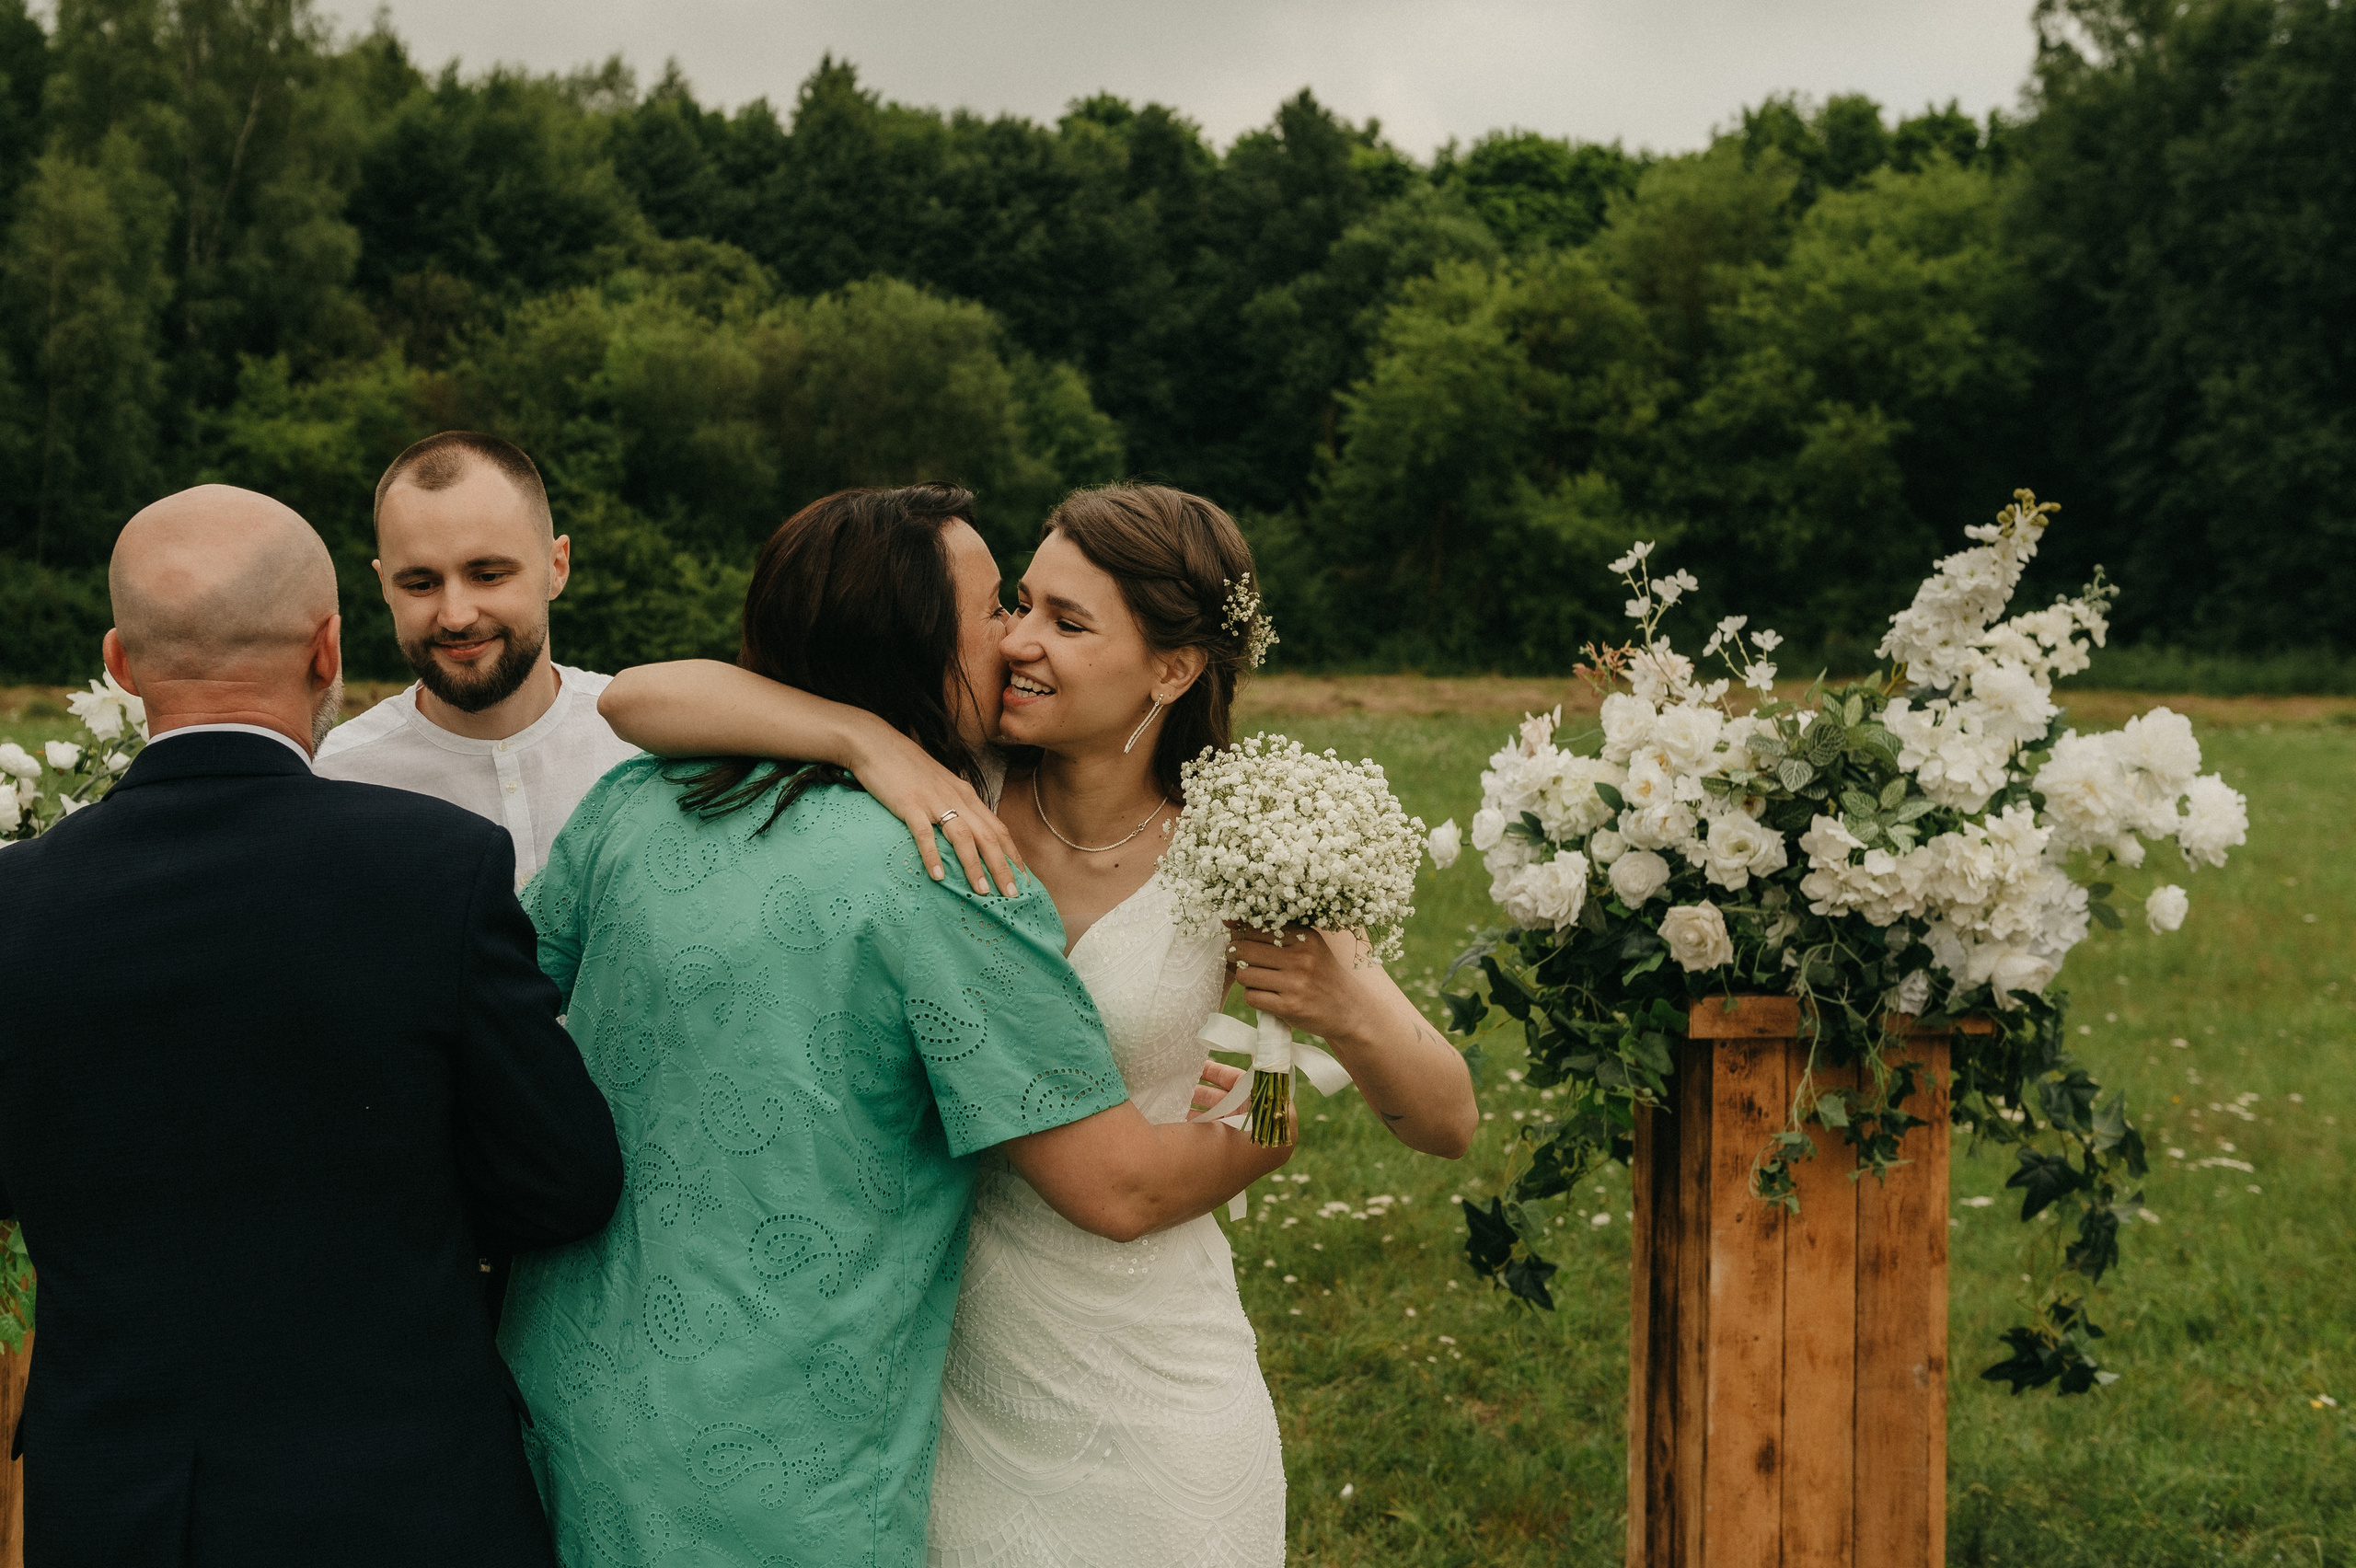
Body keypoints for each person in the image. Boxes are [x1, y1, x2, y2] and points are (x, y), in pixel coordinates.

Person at [599, 482, 1479, 1567]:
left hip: (1151, 1373)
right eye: (1018, 604)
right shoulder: (948, 777)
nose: (1016, 642)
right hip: (945, 1375)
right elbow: (642, 697)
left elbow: (1445, 1118)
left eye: (1067, 623)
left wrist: (1311, 1044)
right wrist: (866, 740)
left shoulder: (1241, 842)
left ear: (1172, 668)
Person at [0, 485, 624, 1567]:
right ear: (330, 648)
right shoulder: (433, 870)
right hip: (401, 1497)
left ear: (120, 661)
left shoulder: (14, 904)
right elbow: (562, 1179)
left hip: (121, 1506)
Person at [315, 432, 639, 890]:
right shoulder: (333, 783)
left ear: (557, 567)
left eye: (488, 575)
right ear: (385, 586)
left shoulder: (643, 749)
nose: (456, 616)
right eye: (421, 584)